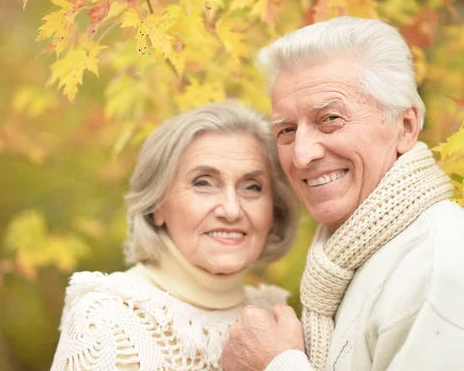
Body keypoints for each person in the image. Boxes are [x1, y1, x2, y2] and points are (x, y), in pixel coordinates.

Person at [220, 16, 464, 371]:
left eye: (330, 119)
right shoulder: (352, 262)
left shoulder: (441, 269)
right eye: (287, 130)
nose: (302, 154)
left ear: (406, 126)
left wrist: (277, 365)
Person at [50, 102, 299, 370]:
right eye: (203, 183)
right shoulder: (108, 320)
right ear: (157, 204)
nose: (231, 209)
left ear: (274, 207)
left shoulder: (277, 318)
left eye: (252, 186)